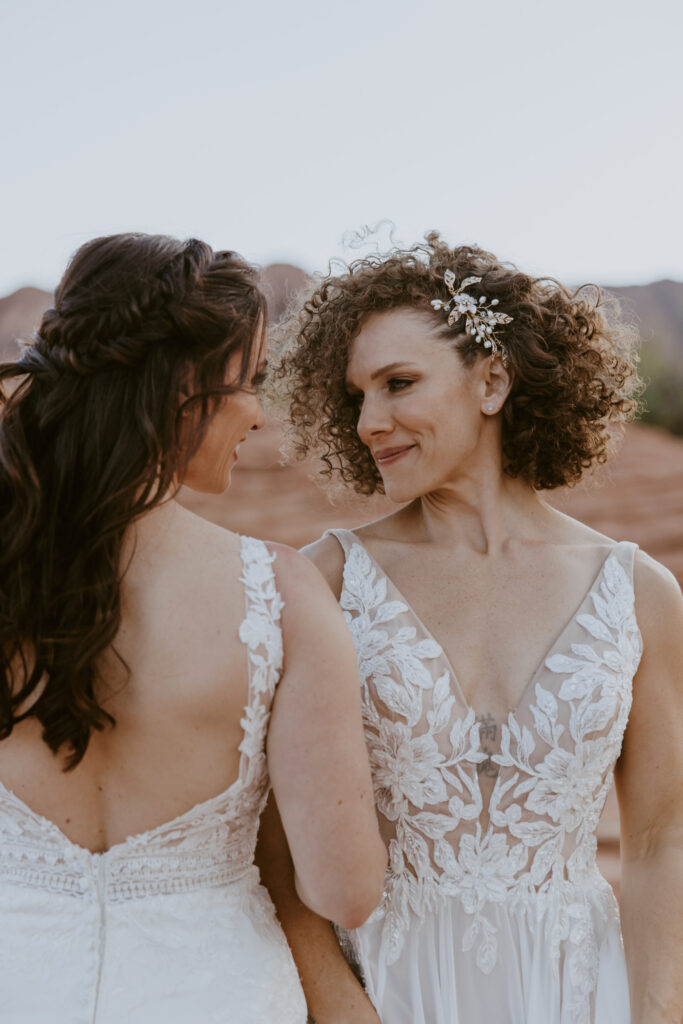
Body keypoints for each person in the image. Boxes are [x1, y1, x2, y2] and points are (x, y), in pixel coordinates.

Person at [268, 234, 683, 1023]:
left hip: (577, 989)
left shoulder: (637, 593)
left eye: (397, 384)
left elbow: (664, 839)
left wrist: (656, 1014)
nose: (367, 422)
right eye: (356, 395)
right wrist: (341, 1009)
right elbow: (273, 846)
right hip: (386, 988)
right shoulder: (322, 582)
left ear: (491, 381)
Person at [0, 233, 387, 1023]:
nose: (256, 411)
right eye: (248, 382)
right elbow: (344, 890)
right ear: (182, 386)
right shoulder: (283, 596)